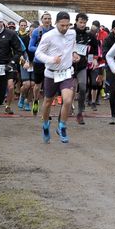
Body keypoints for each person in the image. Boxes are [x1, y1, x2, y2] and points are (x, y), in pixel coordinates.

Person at [34, 11, 79, 144]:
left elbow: (73, 45)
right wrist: (51, 59)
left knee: (68, 100)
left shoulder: (72, 33)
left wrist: (75, 53)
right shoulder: (48, 36)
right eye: (62, 25)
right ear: (56, 23)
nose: (65, 28)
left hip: (66, 73)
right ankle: (45, 125)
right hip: (51, 73)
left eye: (67, 25)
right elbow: (38, 53)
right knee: (48, 101)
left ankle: (62, 126)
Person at [72, 13, 99, 125]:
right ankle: (68, 106)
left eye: (84, 22)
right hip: (69, 66)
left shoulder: (89, 35)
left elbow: (94, 48)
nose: (82, 24)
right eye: (80, 22)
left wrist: (94, 59)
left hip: (82, 66)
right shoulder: (70, 33)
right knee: (71, 89)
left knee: (83, 87)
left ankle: (80, 112)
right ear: (76, 21)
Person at [28, 12, 54, 116]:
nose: (47, 20)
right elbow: (30, 47)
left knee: (49, 85)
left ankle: (46, 109)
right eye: (45, 18)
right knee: (38, 85)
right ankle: (35, 100)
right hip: (39, 61)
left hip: (50, 62)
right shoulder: (37, 31)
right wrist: (41, 50)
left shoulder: (54, 31)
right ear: (42, 20)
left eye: (49, 18)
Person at [17, 19, 34, 111]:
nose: (32, 33)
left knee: (33, 85)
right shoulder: (22, 37)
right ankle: (22, 97)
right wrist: (23, 60)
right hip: (25, 62)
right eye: (31, 31)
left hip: (35, 63)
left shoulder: (39, 39)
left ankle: (28, 102)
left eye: (34, 32)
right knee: (26, 84)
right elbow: (20, 50)